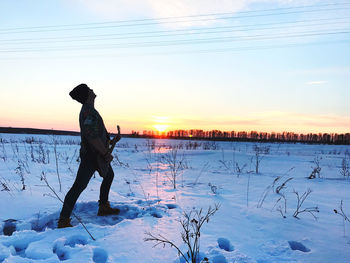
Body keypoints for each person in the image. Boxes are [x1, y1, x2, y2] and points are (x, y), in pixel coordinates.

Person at [58, 84, 120, 229]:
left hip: (98, 154)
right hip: (92, 156)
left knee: (109, 175)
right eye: (89, 89)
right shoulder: (87, 112)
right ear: (86, 95)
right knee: (79, 186)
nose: (92, 90)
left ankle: (103, 206)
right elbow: (91, 137)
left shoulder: (91, 111)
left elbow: (97, 135)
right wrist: (105, 153)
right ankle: (63, 220)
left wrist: (112, 141)